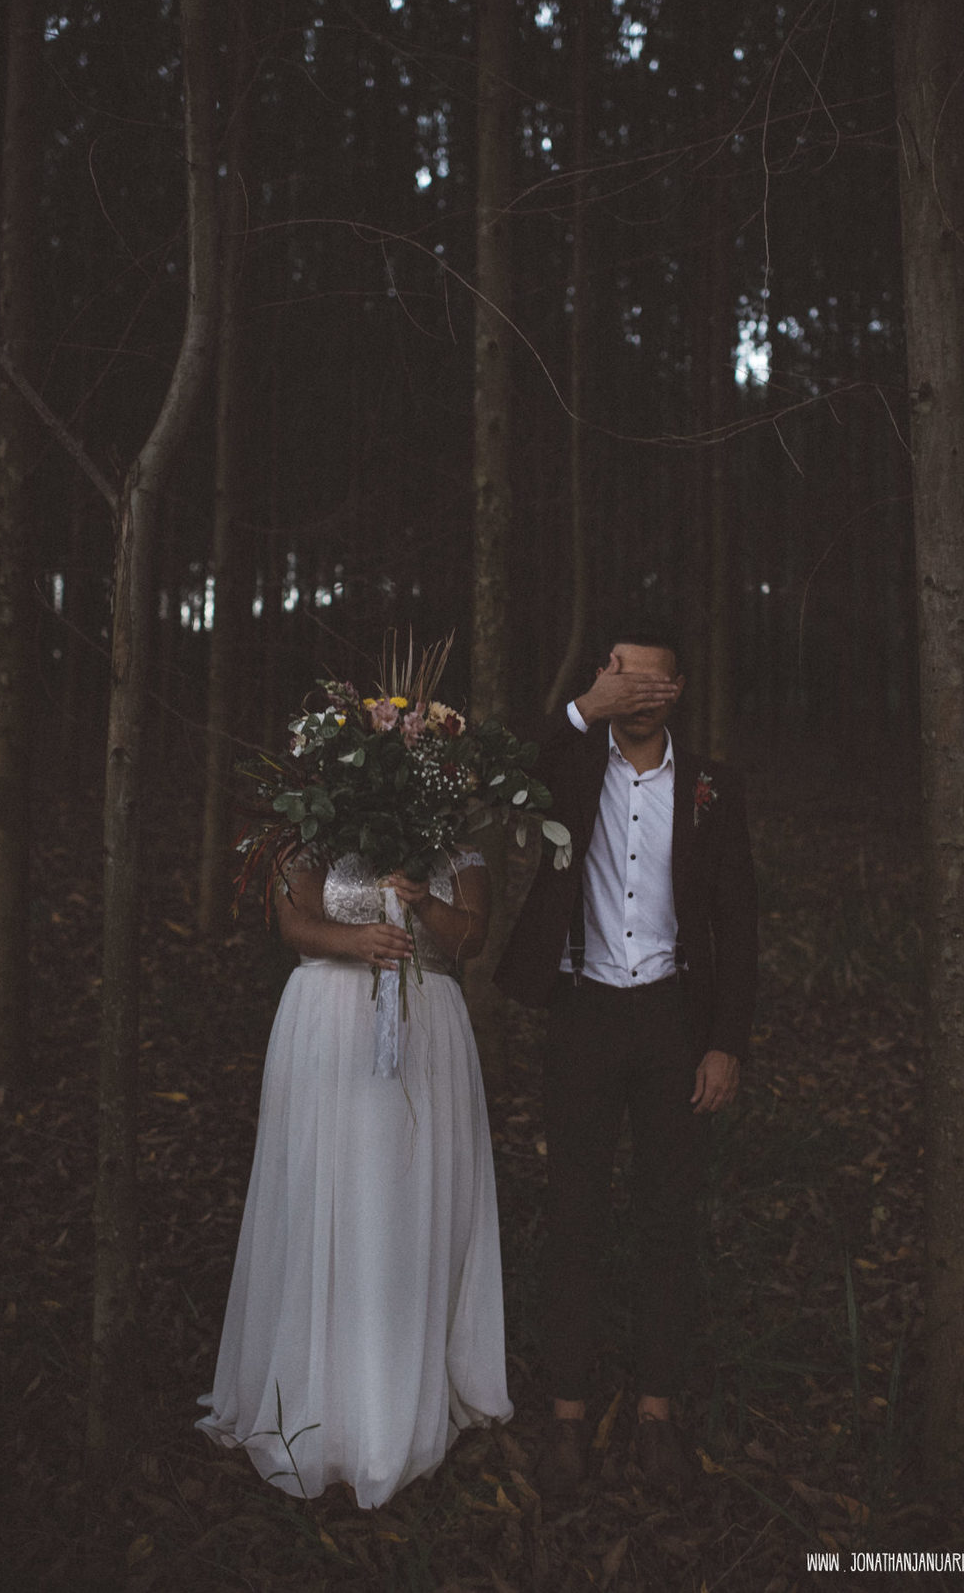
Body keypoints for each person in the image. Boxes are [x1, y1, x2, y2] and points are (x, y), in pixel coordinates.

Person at [495, 624, 757, 1503]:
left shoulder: (713, 785)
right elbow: (496, 774)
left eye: (640, 680)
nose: (623, 689)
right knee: (572, 1217)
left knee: (667, 1221)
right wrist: (578, 710)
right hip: (582, 1014)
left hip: (674, 1024)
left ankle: (655, 1416)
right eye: (611, 675)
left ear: (674, 690)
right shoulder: (569, 765)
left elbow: (740, 921)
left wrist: (725, 1040)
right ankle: (566, 1419)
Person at [197, 847, 513, 1508]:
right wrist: (357, 940)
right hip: (331, 1021)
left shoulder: (452, 833)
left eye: (420, 731)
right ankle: (315, 1400)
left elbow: (471, 940)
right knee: (325, 1204)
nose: (404, 732)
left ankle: (395, 1401)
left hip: (429, 1033)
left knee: (405, 1215)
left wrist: (424, 901)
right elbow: (295, 923)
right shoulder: (314, 815)